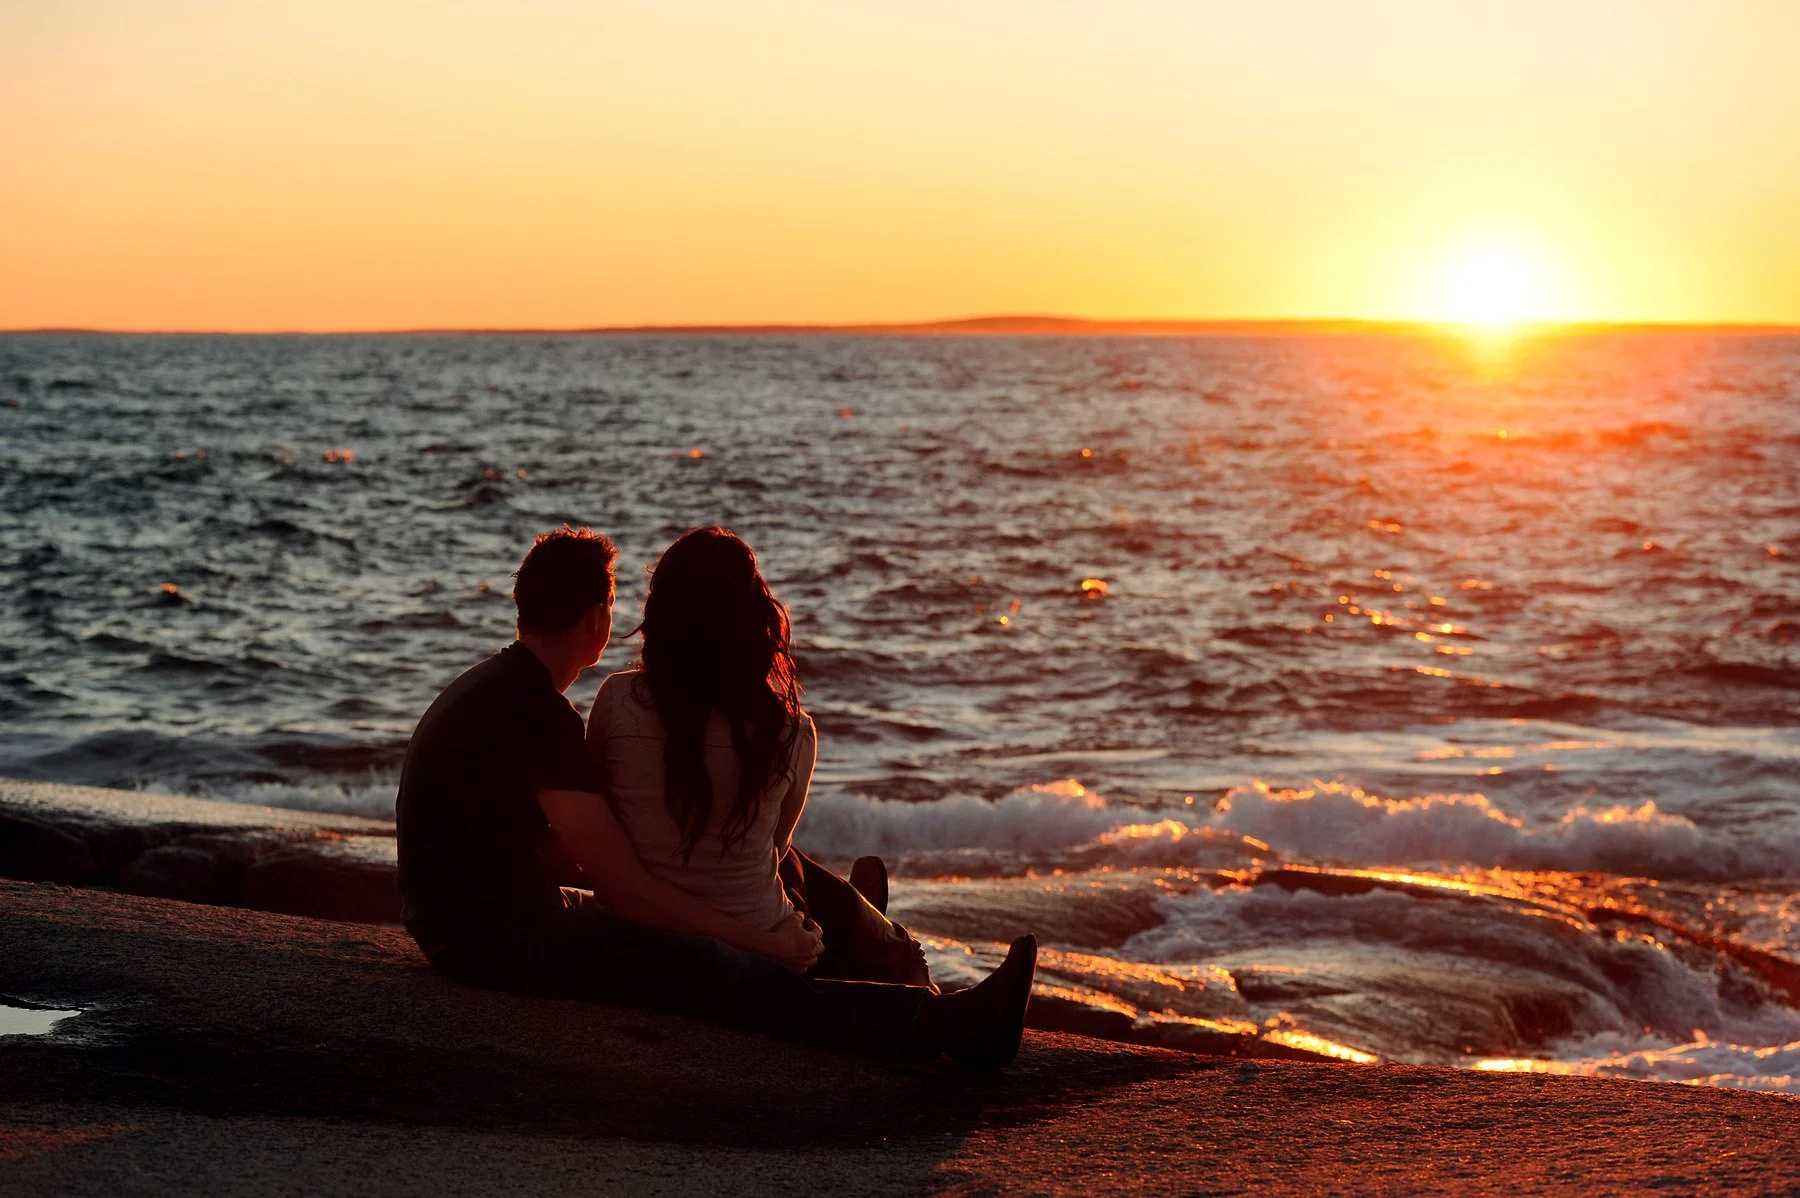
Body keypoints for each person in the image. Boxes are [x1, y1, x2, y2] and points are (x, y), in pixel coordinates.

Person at [395, 526, 1035, 1066]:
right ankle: (947, 1025)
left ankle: (864, 941)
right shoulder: (539, 714)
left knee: (730, 915)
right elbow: (627, 892)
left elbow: (574, 852)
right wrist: (763, 943)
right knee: (724, 975)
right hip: (491, 944)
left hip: (463, 922)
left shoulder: (502, 689)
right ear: (596, 619)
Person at [587, 527, 931, 987]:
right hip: (761, 944)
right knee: (782, 863)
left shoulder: (616, 699)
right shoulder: (789, 731)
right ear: (754, 620)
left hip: (639, 941)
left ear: (661, 614)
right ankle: (891, 945)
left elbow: (603, 818)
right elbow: (776, 844)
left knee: (779, 862)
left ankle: (865, 923)